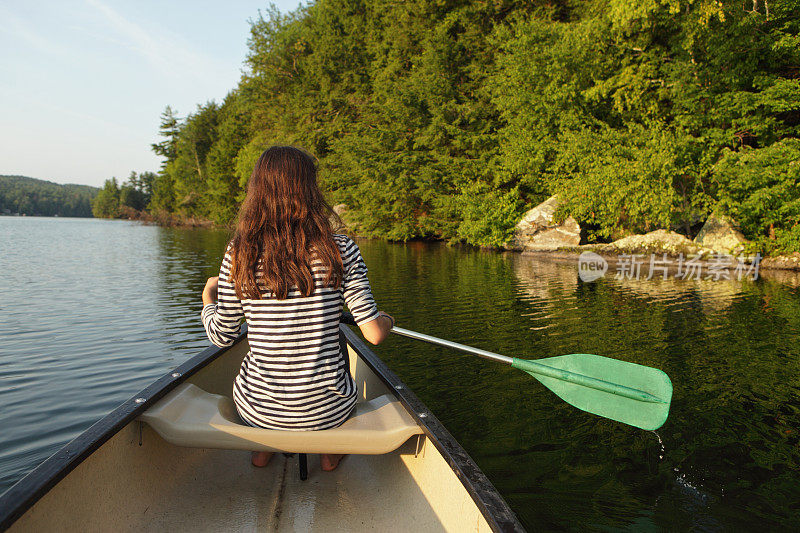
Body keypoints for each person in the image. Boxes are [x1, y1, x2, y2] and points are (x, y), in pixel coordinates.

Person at [200, 145, 394, 472]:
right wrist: (388, 319)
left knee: (257, 408)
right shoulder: (342, 249)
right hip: (327, 410)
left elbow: (223, 335)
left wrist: (209, 300)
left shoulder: (239, 253)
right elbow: (374, 333)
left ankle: (263, 451)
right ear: (310, 191)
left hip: (259, 409)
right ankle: (330, 454)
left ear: (258, 191)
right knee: (334, 395)